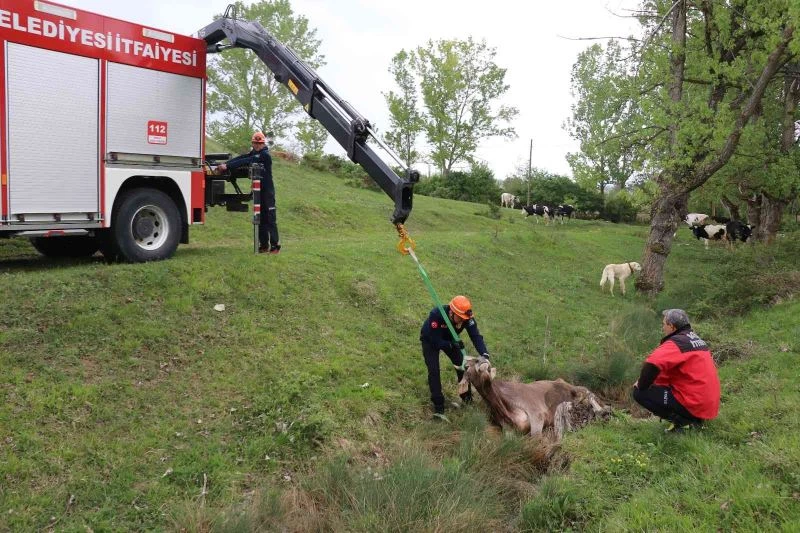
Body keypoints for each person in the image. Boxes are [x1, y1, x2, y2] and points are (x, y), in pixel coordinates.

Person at [632, 309, 720, 432]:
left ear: (671, 327)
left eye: (664, 324)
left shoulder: (677, 343)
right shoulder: (696, 339)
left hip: (694, 403)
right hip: (708, 404)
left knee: (640, 392)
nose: (662, 328)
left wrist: (641, 384)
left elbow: (651, 364)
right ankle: (693, 420)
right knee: (656, 384)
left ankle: (684, 422)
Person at [420, 295, 491, 418]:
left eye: (465, 319)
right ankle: (439, 407)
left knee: (463, 368)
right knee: (434, 371)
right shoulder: (437, 315)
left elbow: (476, 336)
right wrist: (450, 345)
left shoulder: (467, 318)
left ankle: (467, 400)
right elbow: (435, 340)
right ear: (451, 312)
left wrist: (484, 354)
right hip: (430, 340)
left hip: (451, 340)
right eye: (460, 318)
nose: (463, 321)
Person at [217, 131, 280, 254]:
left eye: (259, 143)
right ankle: (263, 245)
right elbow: (242, 157)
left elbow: (248, 160)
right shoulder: (254, 153)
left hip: (267, 192)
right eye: (255, 143)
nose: (257, 145)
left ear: (263, 144)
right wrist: (226, 164)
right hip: (258, 191)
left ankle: (275, 246)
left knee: (270, 218)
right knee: (260, 218)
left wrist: (227, 167)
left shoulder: (264, 155)